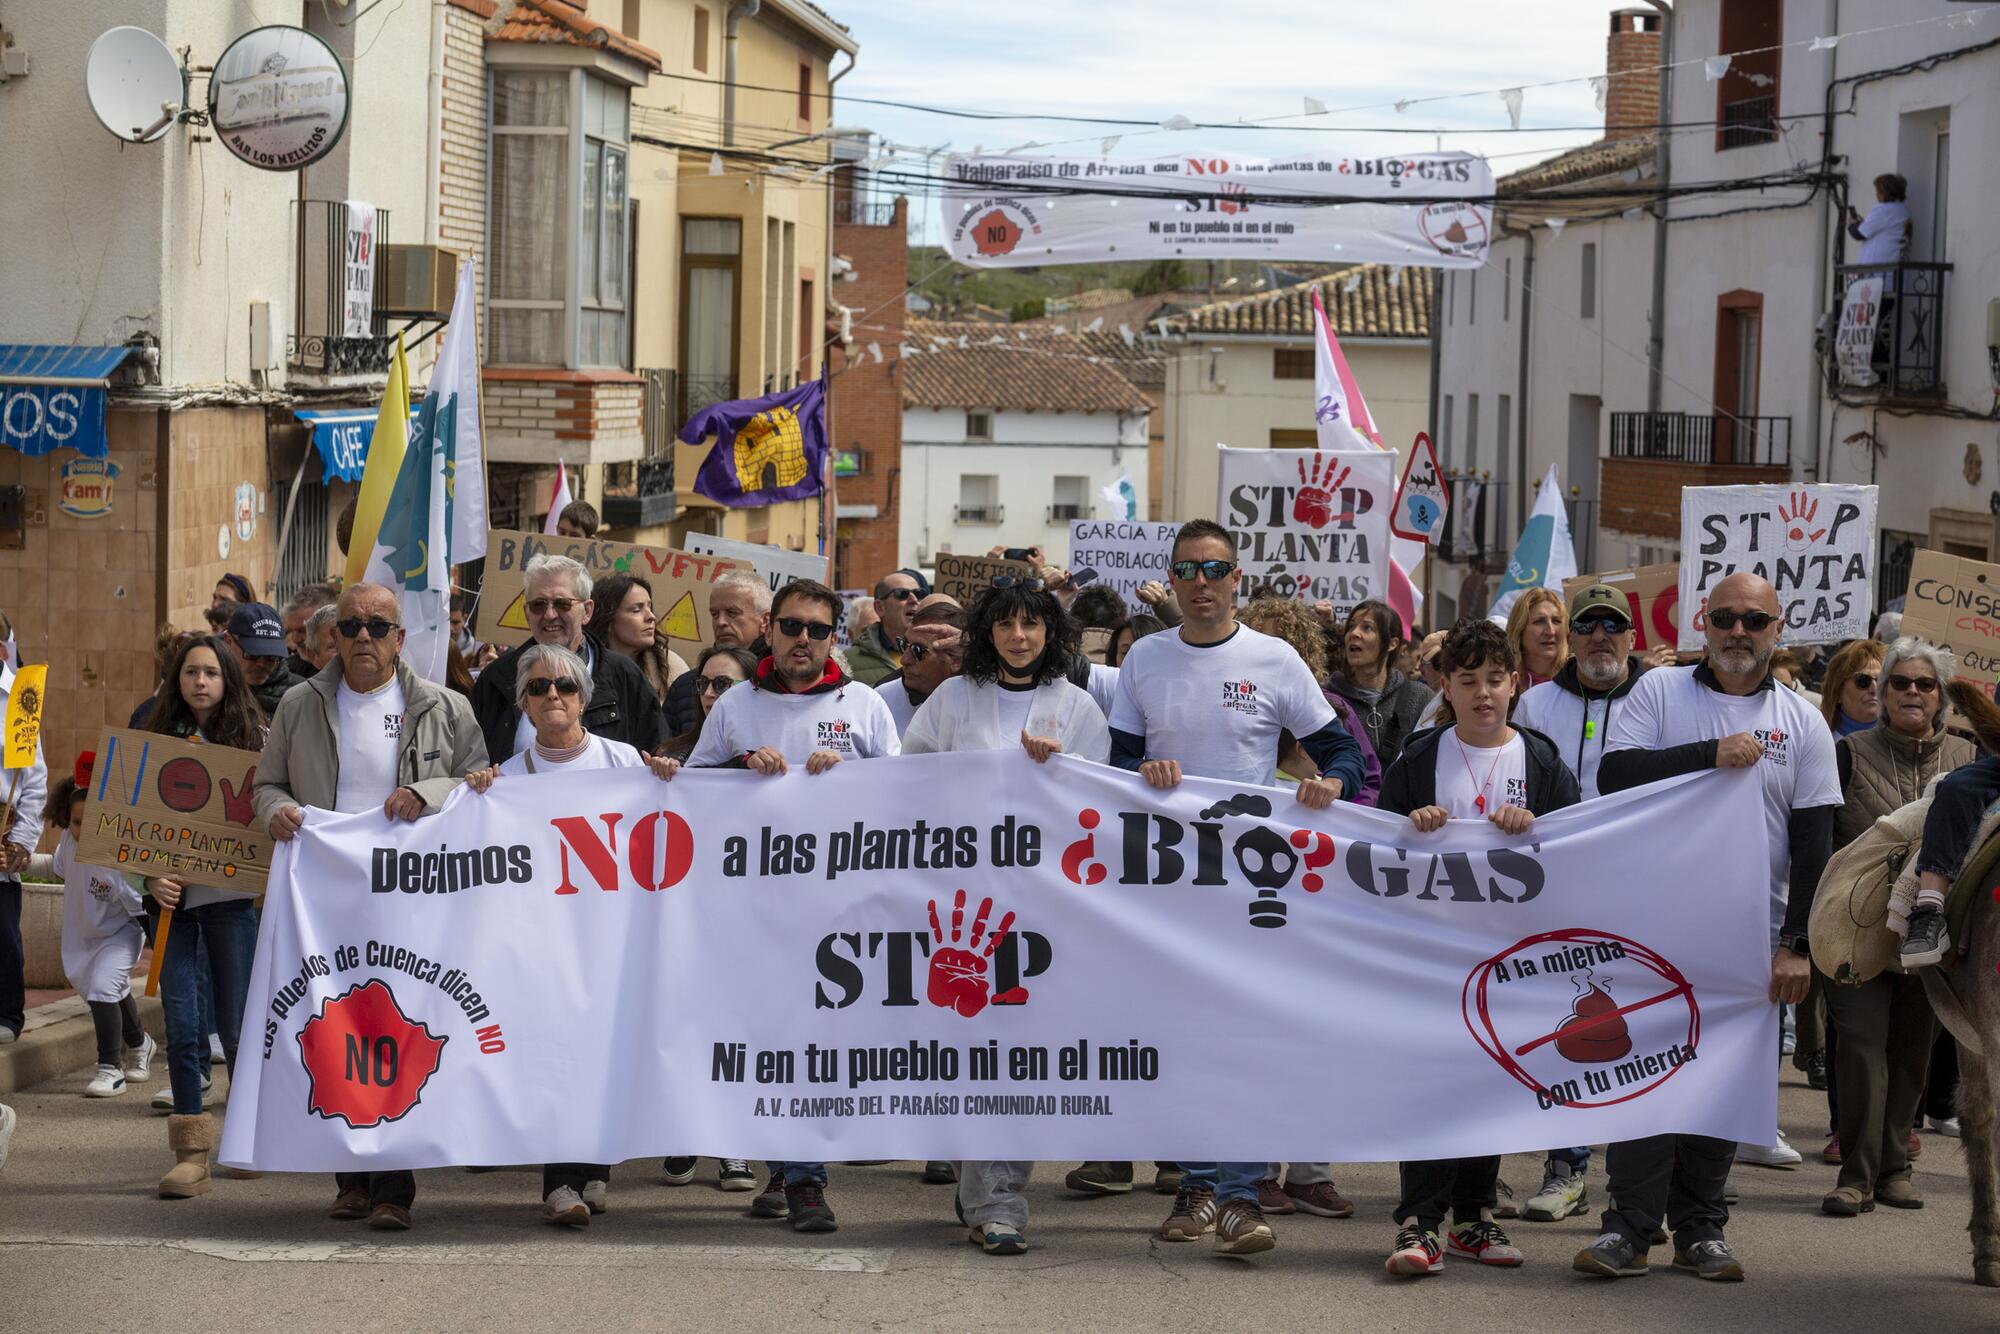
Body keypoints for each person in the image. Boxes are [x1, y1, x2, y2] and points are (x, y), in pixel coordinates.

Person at [1109, 519, 1364, 1258]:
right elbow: (1113, 765)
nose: (1200, 584)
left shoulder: (1275, 658)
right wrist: (1141, 775)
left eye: (1214, 569)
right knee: (1183, 1037)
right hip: (1169, 881)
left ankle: (1243, 1196)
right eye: (1186, 570)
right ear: (1173, 578)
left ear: (1236, 578)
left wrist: (1333, 780)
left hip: (1253, 881)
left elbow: (1342, 747)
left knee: (1247, 1037)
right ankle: (1194, 1184)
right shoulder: (1146, 660)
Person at [1575, 571, 1839, 1282]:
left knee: (1720, 1083)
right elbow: (1617, 775)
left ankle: (1700, 1228)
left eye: (1755, 622)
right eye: (1725, 618)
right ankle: (1627, 1228)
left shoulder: (1805, 721)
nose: (1738, 633)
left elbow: (1815, 842)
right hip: (1653, 929)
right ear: (1703, 622)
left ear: (1778, 631)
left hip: (1749, 939)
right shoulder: (1658, 693)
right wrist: (1710, 754)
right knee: (1645, 1076)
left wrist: (1797, 946)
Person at [254, 582, 489, 1230]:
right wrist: (277, 810)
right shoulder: (301, 706)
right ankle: (349, 1177)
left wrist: (424, 789)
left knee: (398, 1024)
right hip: (326, 898)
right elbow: (266, 783)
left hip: (410, 898)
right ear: (333, 637)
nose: (364, 638)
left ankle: (394, 1185)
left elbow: (480, 781)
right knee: (335, 1025)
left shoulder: (445, 706)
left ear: (399, 639)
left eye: (377, 628)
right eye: (352, 627)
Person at [900, 583, 1112, 1255]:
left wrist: (1061, 774)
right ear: (988, 632)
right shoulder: (952, 700)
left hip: (1040, 907)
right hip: (959, 903)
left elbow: (1098, 806)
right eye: (1007, 624)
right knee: (966, 1045)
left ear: (1051, 634)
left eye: (1032, 625)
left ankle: (999, 1198)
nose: (1019, 636)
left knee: (1017, 1054)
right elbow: (907, 785)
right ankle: (981, 1184)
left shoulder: (1077, 709)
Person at [689, 579, 900, 1233]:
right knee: (771, 1040)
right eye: (790, 626)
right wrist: (737, 767)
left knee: (815, 1041)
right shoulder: (733, 707)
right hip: (754, 906)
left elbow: (907, 793)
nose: (801, 639)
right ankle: (786, 1169)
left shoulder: (864, 705)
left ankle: (804, 1180)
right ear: (768, 630)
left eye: (816, 628)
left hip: (838, 908)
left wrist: (855, 775)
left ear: (834, 636)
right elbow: (691, 791)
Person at [1380, 618, 1579, 1278]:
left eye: (1496, 680)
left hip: (1512, 959)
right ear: (1446, 685)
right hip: (1431, 956)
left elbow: (1580, 849)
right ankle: (1419, 1220)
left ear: (1516, 684)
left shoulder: (1542, 760)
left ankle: (1472, 1216)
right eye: (1469, 682)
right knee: (1435, 1084)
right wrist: (1414, 827)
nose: (1484, 694)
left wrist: (1537, 830)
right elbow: (1377, 846)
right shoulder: (1420, 757)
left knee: (1491, 1084)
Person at [461, 644, 680, 1227]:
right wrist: (475, 797)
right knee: (555, 1051)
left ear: (585, 698)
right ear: (523, 705)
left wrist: (666, 779)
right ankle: (560, 1184)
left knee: (605, 1049)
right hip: (545, 942)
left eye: (564, 686)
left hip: (613, 937)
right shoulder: (504, 779)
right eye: (537, 688)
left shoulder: (625, 762)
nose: (551, 696)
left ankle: (595, 1166)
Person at [1507, 584, 1648, 1223]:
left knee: (1638, 1029)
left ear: (1630, 637)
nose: (1599, 637)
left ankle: (1643, 1179)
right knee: (1568, 1028)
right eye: (1586, 624)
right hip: (1554, 887)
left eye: (1611, 626)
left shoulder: (1656, 698)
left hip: (1637, 886)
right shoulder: (1535, 703)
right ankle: (1568, 1169)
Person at [1818, 638, 1972, 1216]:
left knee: (1911, 1054)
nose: (1912, 692)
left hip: (1932, 934)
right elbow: (1817, 841)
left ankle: (1895, 1170)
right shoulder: (1848, 753)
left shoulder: (1969, 761)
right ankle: (1854, 1177)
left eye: (1924, 685)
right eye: (1899, 683)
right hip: (1853, 928)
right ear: (1881, 696)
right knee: (1860, 1047)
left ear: (1941, 698)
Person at [137, 633, 268, 1199]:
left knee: (237, 1029)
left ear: (228, 680)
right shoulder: (151, 739)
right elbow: (125, 825)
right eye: (191, 672)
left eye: (211, 673)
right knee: (185, 1030)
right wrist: (147, 876)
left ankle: (245, 1139)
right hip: (170, 911)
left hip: (231, 905)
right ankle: (191, 1152)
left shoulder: (255, 740)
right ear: (176, 679)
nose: (200, 682)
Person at [471, 555, 664, 766]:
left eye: (562, 604)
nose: (550, 614)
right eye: (538, 605)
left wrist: (664, 765)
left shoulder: (624, 676)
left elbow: (657, 756)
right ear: (527, 613)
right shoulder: (496, 680)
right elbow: (472, 764)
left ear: (587, 611)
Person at [38, 759, 154, 1098]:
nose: (82, 830)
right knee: (109, 991)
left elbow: (141, 910)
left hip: (121, 933)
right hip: (83, 934)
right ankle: (140, 1043)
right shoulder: (70, 843)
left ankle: (109, 1068)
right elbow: (57, 868)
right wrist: (23, 861)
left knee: (104, 986)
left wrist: (164, 947)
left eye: (93, 822)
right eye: (75, 822)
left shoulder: (117, 857)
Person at [1242, 594, 1381, 809]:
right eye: (1255, 640)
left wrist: (1337, 801)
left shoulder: (1331, 706)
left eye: (1273, 642)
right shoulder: (1231, 699)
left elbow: (1367, 782)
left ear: (1299, 646)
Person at [0, 656, 47, 1046]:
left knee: (2, 932)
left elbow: (33, 783)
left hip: (2, 827)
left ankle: (7, 1013)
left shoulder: (19, 697)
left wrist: (20, 842)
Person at [1328, 600, 1436, 770]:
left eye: (1367, 628)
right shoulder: (1326, 698)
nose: (1354, 633)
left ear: (1392, 643)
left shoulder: (1420, 697)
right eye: (1351, 627)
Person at [663, 572, 772, 734]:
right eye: (714, 614)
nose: (720, 622)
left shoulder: (781, 681)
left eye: (732, 613)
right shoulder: (685, 686)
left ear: (764, 620)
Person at [585, 571, 691, 708]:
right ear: (608, 620)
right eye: (636, 610)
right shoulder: (584, 665)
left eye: (650, 607)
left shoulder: (670, 665)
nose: (651, 616)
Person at [876, 602, 967, 736]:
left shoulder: (983, 702)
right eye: (903, 645)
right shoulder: (881, 700)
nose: (904, 660)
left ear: (956, 659)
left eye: (917, 650)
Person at [658, 646, 758, 764]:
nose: (708, 693)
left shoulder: (775, 748)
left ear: (752, 688)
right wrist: (666, 774)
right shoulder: (670, 754)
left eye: (722, 683)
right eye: (703, 683)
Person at [224, 602, 299, 718]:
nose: (262, 664)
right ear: (229, 642)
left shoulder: (301, 696)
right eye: (252, 654)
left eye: (271, 657)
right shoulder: (209, 688)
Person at [847, 570, 921, 685]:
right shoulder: (847, 661)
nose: (914, 600)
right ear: (880, 607)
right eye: (902, 594)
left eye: (919, 594)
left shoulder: (936, 655)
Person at [1505, 587, 1569, 689]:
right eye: (1539, 621)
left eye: (1556, 621)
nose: (1550, 631)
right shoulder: (1503, 683)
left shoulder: (1578, 680)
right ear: (1519, 629)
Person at [1821, 639, 1884, 737]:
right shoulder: (1820, 743)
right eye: (1863, 681)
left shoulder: (1901, 742)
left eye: (1880, 680)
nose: (1874, 689)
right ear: (1837, 692)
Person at [1846, 173, 1911, 267]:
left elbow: (1859, 234)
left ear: (1885, 193)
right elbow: (1881, 229)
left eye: (1878, 191)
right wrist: (1864, 224)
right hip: (1893, 271)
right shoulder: (1902, 210)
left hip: (1877, 275)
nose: (1876, 195)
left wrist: (1851, 224)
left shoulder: (1883, 210)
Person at [281, 583, 337, 680]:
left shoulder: (353, 671)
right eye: (289, 631)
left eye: (303, 630)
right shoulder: (286, 673)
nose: (295, 639)